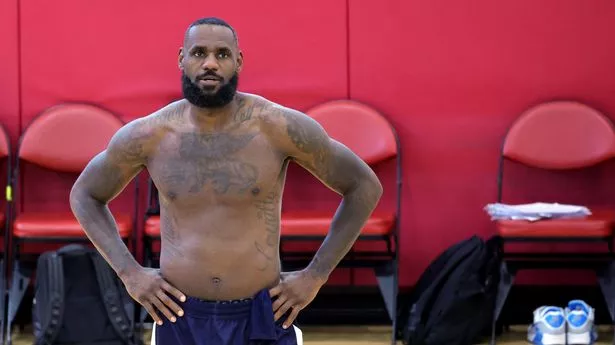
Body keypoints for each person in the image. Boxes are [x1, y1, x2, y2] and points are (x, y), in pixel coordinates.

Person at [69, 16, 383, 345]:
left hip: (262, 314)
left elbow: (364, 186)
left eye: (222, 54)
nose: (210, 64)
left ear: (238, 61)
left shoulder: (278, 128)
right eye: (198, 53)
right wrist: (129, 273)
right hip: (179, 316)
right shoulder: (149, 135)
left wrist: (316, 275)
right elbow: (85, 194)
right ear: (181, 59)